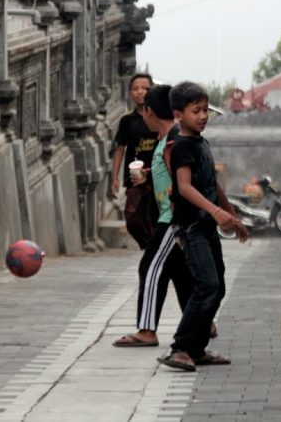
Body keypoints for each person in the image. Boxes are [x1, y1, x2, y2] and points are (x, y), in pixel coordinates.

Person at [158, 81, 249, 372]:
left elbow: (213, 183)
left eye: (205, 110)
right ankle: (180, 348)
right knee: (206, 285)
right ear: (178, 115)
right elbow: (184, 188)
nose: (203, 116)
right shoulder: (181, 145)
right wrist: (214, 212)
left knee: (218, 287)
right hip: (191, 228)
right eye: (195, 111)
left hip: (207, 226)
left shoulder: (201, 143)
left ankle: (196, 350)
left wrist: (230, 215)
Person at [113, 85, 192, 347]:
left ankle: (147, 330)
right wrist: (149, 175)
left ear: (148, 110)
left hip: (172, 219)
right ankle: (201, 321)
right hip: (171, 217)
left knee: (150, 267)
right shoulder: (164, 138)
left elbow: (183, 179)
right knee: (180, 273)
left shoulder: (172, 140)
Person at [112, 73, 158, 249]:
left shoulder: (158, 118)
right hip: (134, 178)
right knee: (132, 218)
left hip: (157, 177)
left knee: (154, 215)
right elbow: (120, 148)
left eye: (145, 88)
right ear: (130, 92)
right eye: (135, 88)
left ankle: (156, 248)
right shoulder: (127, 120)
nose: (140, 92)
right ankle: (149, 245)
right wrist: (115, 178)